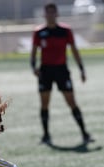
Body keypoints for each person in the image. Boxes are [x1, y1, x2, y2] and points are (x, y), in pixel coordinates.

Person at [30, 2, 93, 145]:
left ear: (57, 14)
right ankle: (46, 136)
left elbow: (74, 50)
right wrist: (33, 67)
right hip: (45, 71)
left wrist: (81, 69)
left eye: (53, 12)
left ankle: (85, 134)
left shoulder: (65, 30)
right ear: (44, 15)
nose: (50, 15)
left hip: (62, 71)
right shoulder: (39, 32)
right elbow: (33, 53)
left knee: (71, 101)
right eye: (48, 12)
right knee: (44, 103)